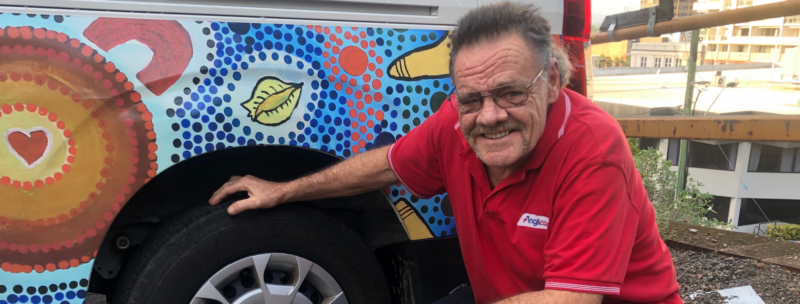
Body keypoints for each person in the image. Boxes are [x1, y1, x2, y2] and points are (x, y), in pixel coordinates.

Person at [209, 2, 682, 303]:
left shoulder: (592, 151)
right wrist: (282, 191)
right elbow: (382, 166)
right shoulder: (456, 123)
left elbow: (570, 300)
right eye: (472, 98)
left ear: (553, 81)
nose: (490, 115)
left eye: (511, 93)